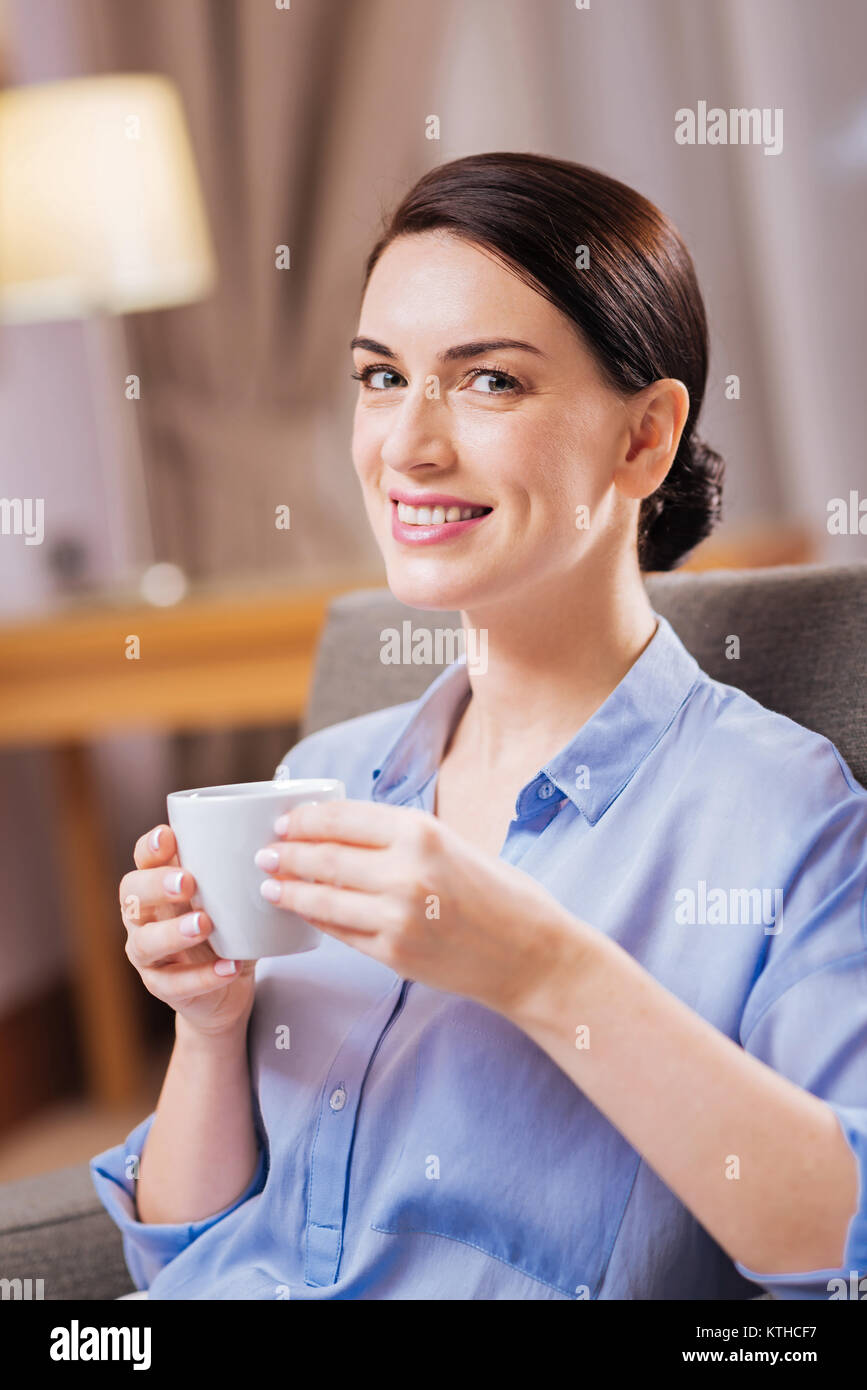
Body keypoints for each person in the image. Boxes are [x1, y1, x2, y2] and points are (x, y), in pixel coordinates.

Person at [92, 152, 867, 1301]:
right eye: (380, 376)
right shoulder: (326, 779)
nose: (408, 444)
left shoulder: (778, 814)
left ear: (644, 439)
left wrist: (539, 967)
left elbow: (838, 1245)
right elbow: (182, 1260)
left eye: (488, 381)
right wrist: (211, 1024)